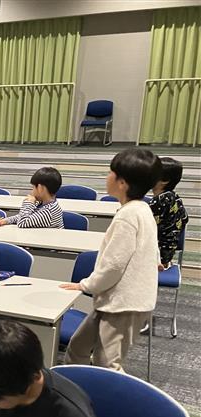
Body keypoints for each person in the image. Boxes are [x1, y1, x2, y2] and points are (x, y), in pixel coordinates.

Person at [61, 148, 161, 372]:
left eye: (110, 173)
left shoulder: (129, 215)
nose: (107, 177)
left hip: (124, 303)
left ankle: (112, 395)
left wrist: (85, 285)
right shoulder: (141, 209)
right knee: (78, 348)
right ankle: (76, 388)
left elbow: (114, 265)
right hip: (115, 300)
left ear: (122, 183)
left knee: (108, 364)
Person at [148, 156, 189, 269]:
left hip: (156, 256)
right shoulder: (175, 197)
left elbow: (144, 226)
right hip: (168, 254)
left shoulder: (158, 202)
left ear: (164, 180)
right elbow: (185, 218)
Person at [0, 167, 64, 229]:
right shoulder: (43, 204)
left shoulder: (49, 212)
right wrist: (6, 221)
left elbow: (22, 223)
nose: (32, 191)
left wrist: (28, 203)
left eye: (33, 187)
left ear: (40, 188)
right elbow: (24, 216)